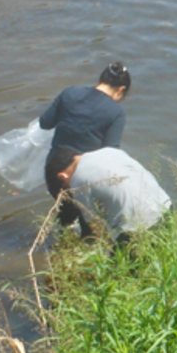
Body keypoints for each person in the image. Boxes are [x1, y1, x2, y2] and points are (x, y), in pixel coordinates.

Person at [40, 62, 132, 235]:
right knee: (89, 226)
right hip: (83, 176)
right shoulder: (116, 112)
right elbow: (110, 152)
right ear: (120, 90)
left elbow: (45, 123)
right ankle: (82, 253)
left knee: (65, 217)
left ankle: (61, 248)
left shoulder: (69, 93)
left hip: (54, 170)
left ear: (101, 79)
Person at [45, 146, 171, 244]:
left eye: (66, 189)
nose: (69, 191)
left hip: (138, 229)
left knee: (119, 272)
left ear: (62, 176)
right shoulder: (109, 151)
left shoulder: (78, 180)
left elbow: (92, 229)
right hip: (166, 209)